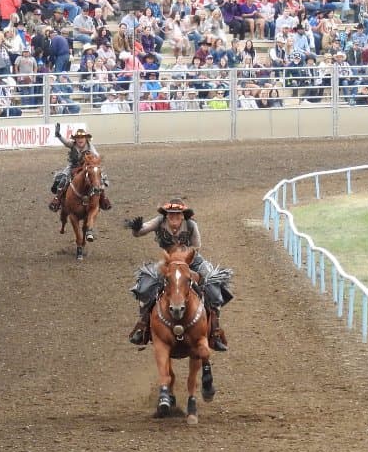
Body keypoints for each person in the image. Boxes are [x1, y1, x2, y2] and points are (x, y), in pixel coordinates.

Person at [126, 198, 232, 351]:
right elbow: (144, 229)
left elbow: (196, 246)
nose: (173, 217)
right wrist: (136, 228)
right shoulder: (159, 221)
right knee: (145, 285)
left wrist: (183, 263)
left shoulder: (191, 225)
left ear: (183, 215)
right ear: (166, 215)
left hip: (192, 261)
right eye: (170, 214)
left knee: (212, 283)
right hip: (168, 261)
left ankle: (215, 331)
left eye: (177, 214)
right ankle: (142, 326)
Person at [48, 125, 111, 212]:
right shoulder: (72, 145)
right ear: (75, 139)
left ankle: (103, 199)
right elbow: (65, 142)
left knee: (100, 178)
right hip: (73, 166)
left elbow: (97, 155)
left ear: (86, 139)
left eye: (82, 137)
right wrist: (58, 135)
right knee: (64, 177)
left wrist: (93, 162)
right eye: (78, 137)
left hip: (87, 166)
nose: (80, 139)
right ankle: (57, 199)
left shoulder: (90, 147)